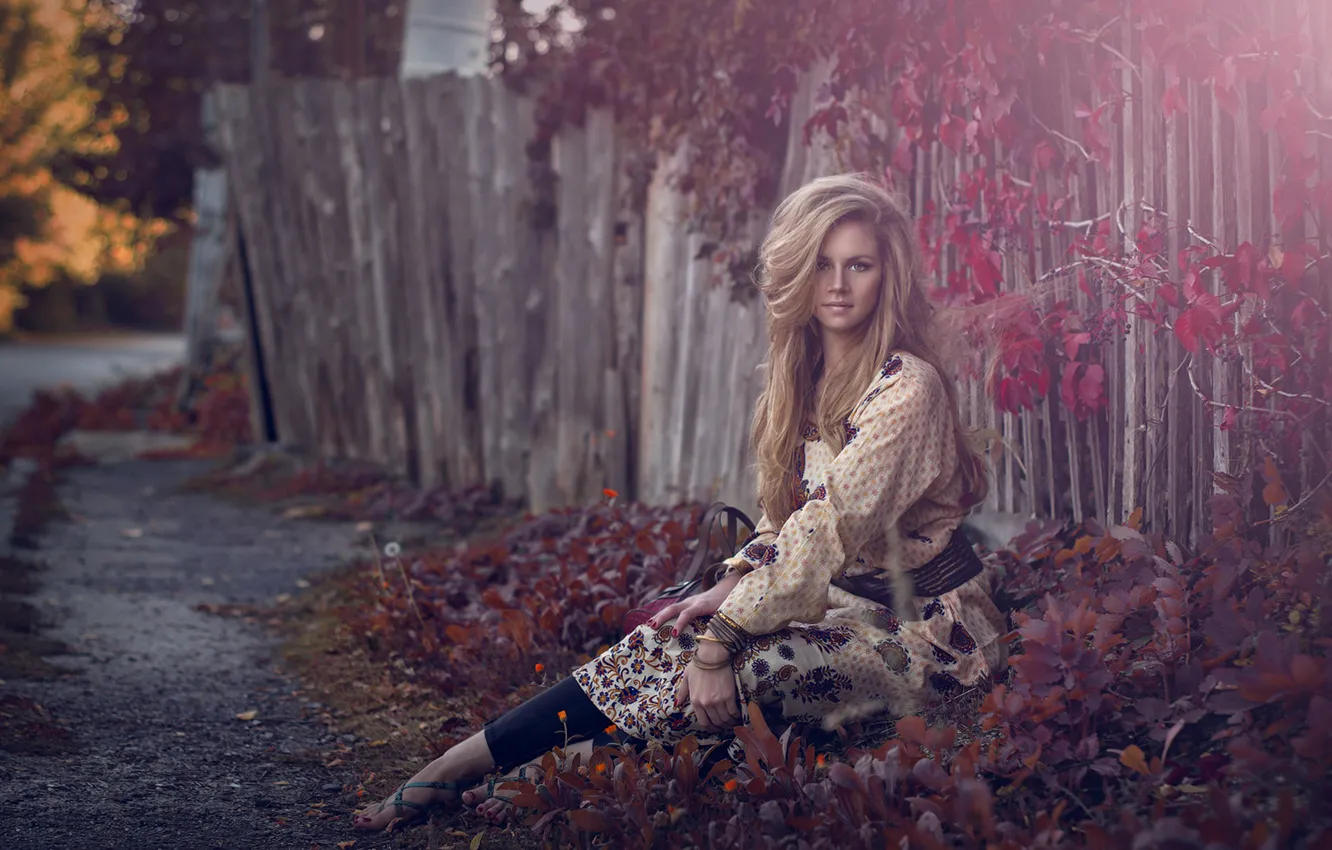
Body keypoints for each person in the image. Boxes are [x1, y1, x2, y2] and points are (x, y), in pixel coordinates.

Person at [353, 173, 1008, 832]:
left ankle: (567, 765)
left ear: (884, 275)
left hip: (927, 635)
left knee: (751, 662)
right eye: (820, 264)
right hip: (842, 602)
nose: (837, 284)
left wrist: (724, 637)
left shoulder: (907, 390)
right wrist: (727, 589)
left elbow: (825, 526)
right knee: (669, 636)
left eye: (858, 265)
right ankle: (450, 768)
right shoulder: (802, 384)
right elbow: (781, 524)